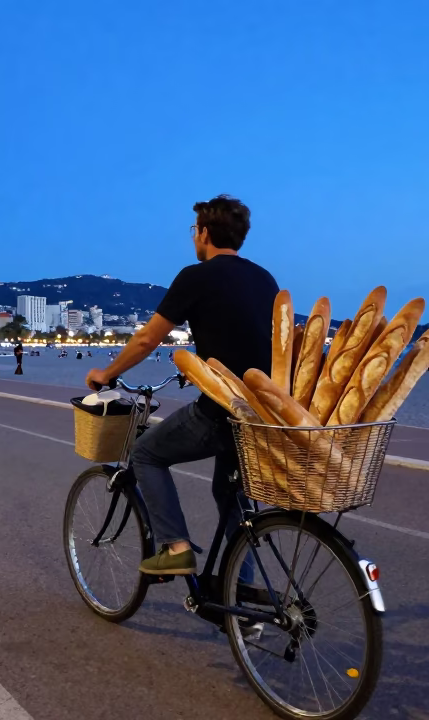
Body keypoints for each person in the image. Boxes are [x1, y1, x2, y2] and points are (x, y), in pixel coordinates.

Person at [85, 194, 276, 576]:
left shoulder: (196, 276)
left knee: (144, 454)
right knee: (232, 498)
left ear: (204, 233)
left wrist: (106, 374)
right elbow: (249, 337)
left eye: (194, 230)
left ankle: (175, 548)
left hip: (221, 409)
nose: (193, 238)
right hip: (261, 412)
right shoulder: (264, 278)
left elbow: (146, 340)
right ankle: (245, 599)